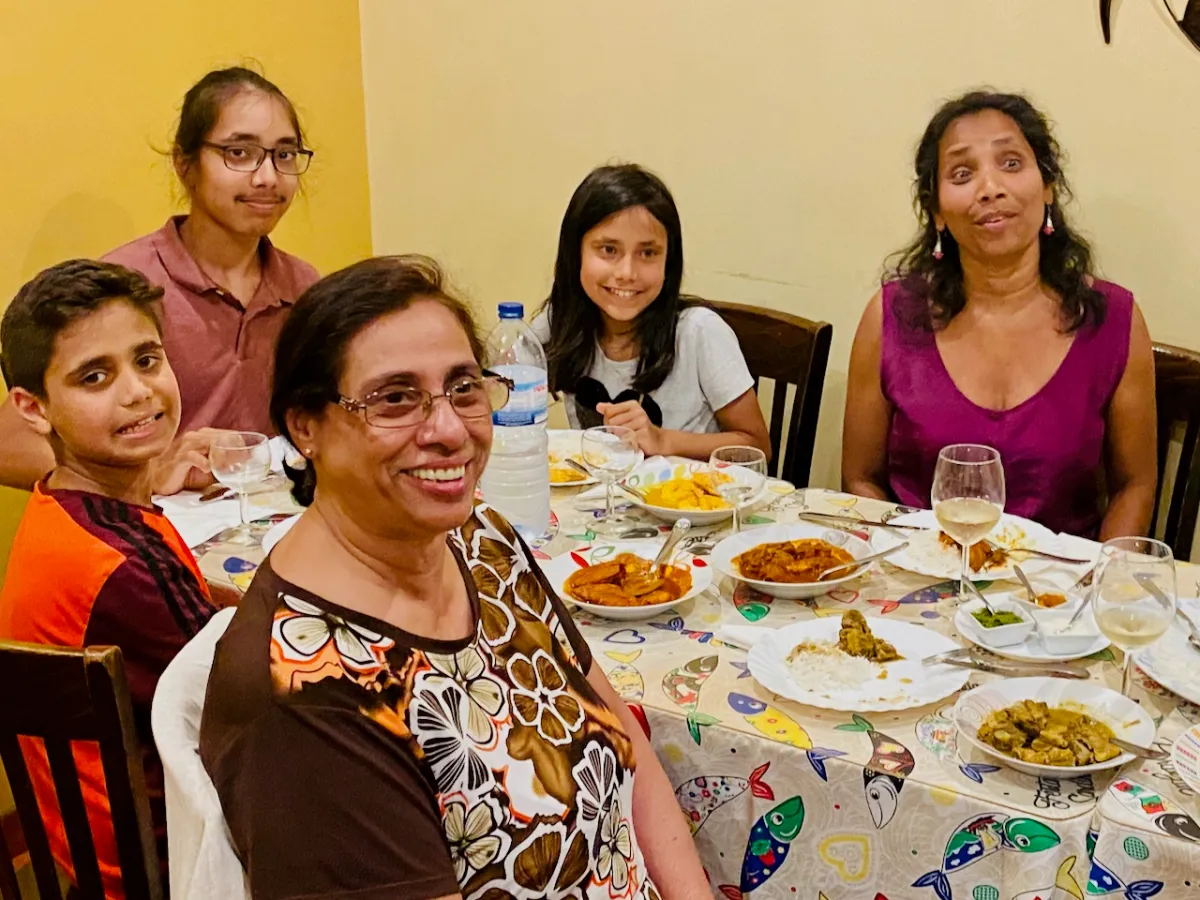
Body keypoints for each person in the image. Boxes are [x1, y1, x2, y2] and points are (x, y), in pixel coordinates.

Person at [200, 255, 708, 899]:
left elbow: (621, 734)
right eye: (395, 398)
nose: (448, 430)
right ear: (305, 428)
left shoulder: (478, 537)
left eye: (464, 388)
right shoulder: (307, 691)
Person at [842, 91, 1156, 539]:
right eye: (962, 172)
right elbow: (859, 479)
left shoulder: (1114, 319)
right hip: (918, 579)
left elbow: (1135, 485)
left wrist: (1103, 586)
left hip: (1058, 593)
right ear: (936, 212)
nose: (990, 188)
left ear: (1047, 185)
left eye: (1010, 163)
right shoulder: (891, 315)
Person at [0, 260, 219, 898]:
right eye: (96, 377)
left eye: (147, 360)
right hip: (162, 864)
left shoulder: (61, 508)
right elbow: (251, 702)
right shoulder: (119, 566)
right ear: (33, 408)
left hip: (82, 850)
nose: (138, 392)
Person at [0, 66, 319, 491]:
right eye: (239, 153)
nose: (267, 177)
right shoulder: (126, 289)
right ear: (185, 164)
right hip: (152, 536)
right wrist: (146, 470)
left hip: (268, 530)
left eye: (284, 154)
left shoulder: (304, 287)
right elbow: (8, 445)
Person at [532, 163, 771, 460]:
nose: (627, 273)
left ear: (669, 261)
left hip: (690, 499)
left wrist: (664, 440)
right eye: (608, 249)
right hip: (601, 501)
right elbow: (496, 389)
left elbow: (757, 446)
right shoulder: (561, 323)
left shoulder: (699, 332)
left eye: (647, 253)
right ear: (575, 252)